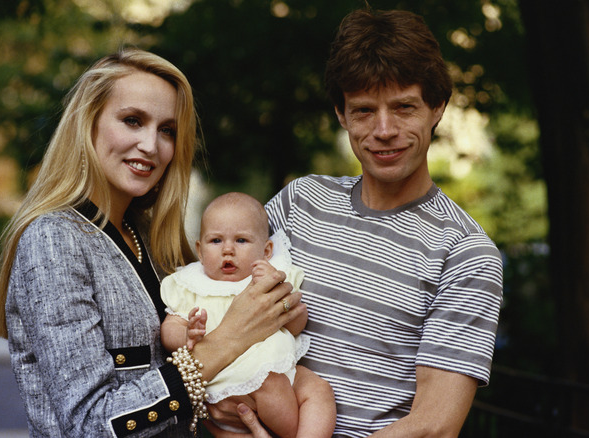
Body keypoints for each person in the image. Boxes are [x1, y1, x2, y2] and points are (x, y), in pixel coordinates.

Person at [207, 8, 504, 437]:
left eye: (404, 107)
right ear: (342, 115)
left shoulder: (465, 253)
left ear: (437, 107)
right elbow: (212, 287)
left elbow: (433, 426)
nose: (384, 130)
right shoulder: (300, 202)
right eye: (364, 111)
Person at [0, 48, 306, 437]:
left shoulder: (154, 243)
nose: (151, 145)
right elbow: (90, 424)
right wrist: (227, 340)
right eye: (133, 120)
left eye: (167, 130)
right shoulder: (53, 239)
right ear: (88, 124)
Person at [160, 192, 336, 438]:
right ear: (199, 250)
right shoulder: (189, 284)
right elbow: (169, 330)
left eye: (241, 240)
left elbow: (295, 326)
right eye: (216, 241)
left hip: (281, 366)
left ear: (266, 251)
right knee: (271, 387)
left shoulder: (272, 278)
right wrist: (188, 333)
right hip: (233, 375)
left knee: (319, 389)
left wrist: (294, 310)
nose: (228, 250)